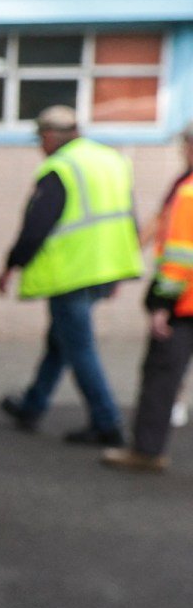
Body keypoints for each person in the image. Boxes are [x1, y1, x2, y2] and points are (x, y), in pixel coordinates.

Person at [0, 106, 143, 447]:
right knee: (60, 342)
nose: (39, 146)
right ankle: (32, 405)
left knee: (78, 347)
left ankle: (107, 422)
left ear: (49, 136)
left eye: (39, 139)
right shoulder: (111, 160)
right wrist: (119, 270)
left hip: (73, 273)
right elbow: (128, 218)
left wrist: (11, 265)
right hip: (105, 269)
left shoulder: (60, 168)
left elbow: (35, 228)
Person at [103, 130, 193, 472]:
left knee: (160, 376)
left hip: (184, 306)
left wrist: (162, 305)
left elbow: (181, 259)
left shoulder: (188, 192)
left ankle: (147, 451)